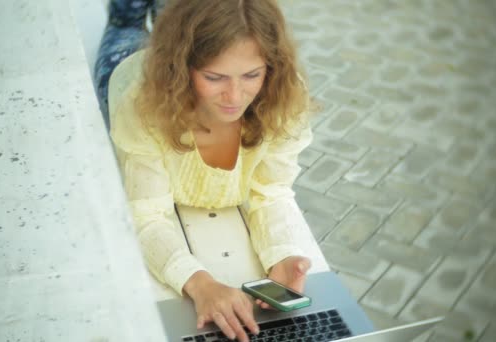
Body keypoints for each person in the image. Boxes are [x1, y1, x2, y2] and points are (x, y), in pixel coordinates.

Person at [100, 1, 328, 341]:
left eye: (252, 74)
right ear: (181, 69)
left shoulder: (283, 97)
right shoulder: (140, 104)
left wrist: (282, 253)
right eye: (214, 77)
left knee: (176, 18)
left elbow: (271, 192)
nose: (234, 96)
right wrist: (199, 282)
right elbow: (146, 216)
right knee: (127, 25)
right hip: (126, 74)